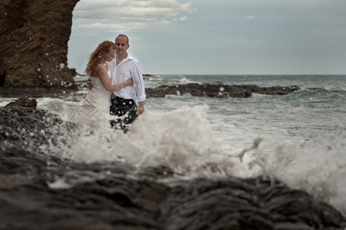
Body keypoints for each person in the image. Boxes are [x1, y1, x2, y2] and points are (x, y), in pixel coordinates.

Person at [88, 34, 146, 133]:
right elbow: (99, 74)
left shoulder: (133, 63)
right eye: (118, 44)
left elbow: (139, 83)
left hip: (127, 102)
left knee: (127, 132)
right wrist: (92, 81)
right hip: (110, 102)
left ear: (128, 46)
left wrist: (141, 104)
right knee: (113, 132)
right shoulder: (109, 60)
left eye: (123, 44)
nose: (120, 47)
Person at [68, 40, 133, 124]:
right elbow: (109, 88)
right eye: (111, 55)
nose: (113, 57)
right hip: (97, 101)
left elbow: (99, 80)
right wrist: (128, 83)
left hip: (102, 100)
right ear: (104, 53)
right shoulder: (100, 67)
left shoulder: (104, 64)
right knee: (93, 126)